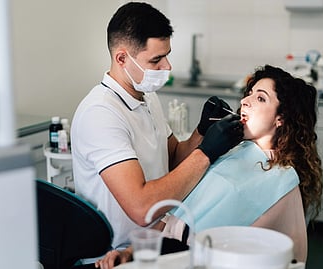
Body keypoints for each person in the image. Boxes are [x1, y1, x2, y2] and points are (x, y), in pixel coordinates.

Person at [95, 65, 323, 268]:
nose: (245, 101)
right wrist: (129, 253)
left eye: (261, 98)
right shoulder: (232, 152)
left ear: (280, 118)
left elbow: (264, 253)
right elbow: (173, 220)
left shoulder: (281, 180)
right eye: (249, 94)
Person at [70, 1, 242, 263]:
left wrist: (202, 131)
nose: (167, 67)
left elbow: (172, 158)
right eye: (156, 59)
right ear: (122, 58)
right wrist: (206, 153)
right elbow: (141, 208)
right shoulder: (101, 113)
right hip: (117, 255)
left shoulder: (146, 97)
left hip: (155, 240)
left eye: (167, 55)